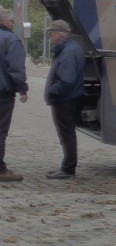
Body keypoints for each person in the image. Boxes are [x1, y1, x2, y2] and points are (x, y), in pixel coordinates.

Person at [44, 19, 85, 179]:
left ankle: (68, 169)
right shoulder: (70, 48)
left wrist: (52, 91)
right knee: (67, 134)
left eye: (50, 34)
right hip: (68, 98)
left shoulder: (68, 52)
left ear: (57, 34)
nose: (49, 37)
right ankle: (67, 166)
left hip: (65, 100)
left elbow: (66, 80)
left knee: (66, 135)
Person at [0, 7, 30, 182]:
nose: (12, 24)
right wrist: (23, 89)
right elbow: (16, 68)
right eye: (11, 22)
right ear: (7, 22)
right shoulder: (11, 40)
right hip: (3, 93)